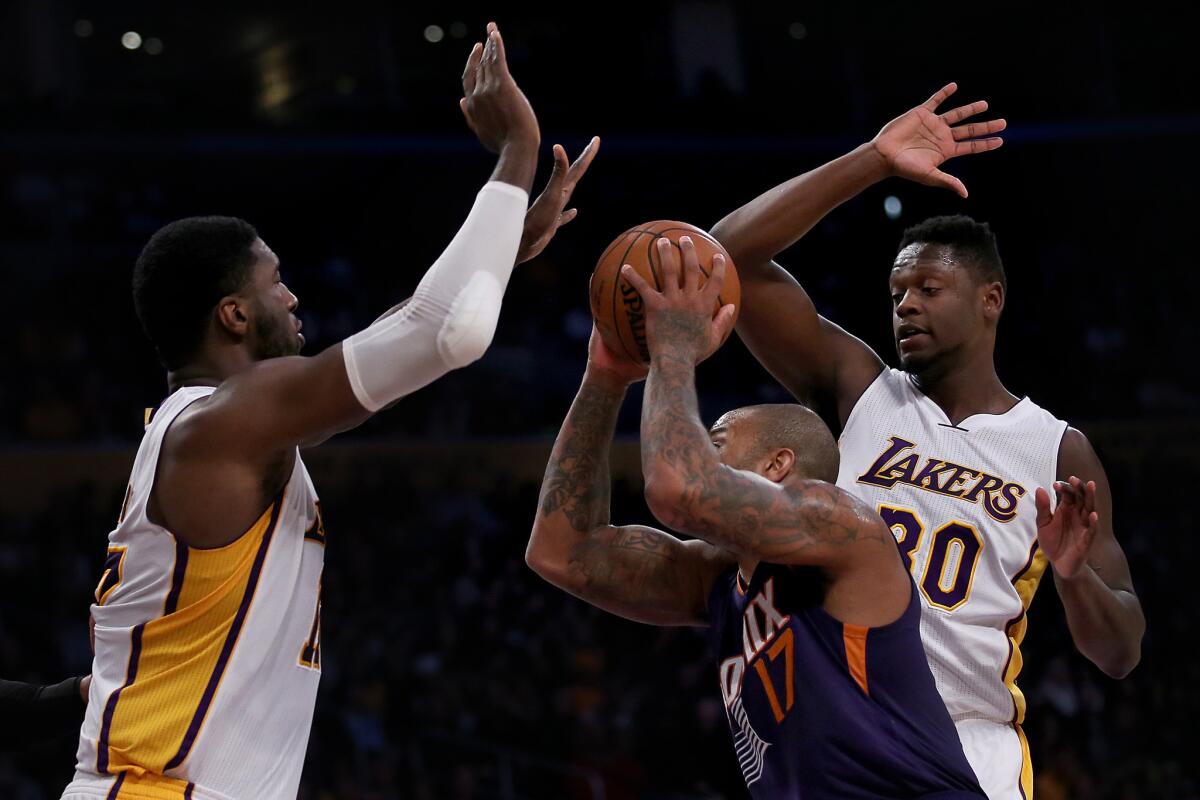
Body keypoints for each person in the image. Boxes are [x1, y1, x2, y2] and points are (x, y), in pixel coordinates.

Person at [62, 23, 598, 800]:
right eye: (275, 282)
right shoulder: (222, 424)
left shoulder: (224, 426)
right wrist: (517, 149)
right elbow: (446, 330)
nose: (294, 295)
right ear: (234, 316)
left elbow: (404, 332)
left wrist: (501, 246)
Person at [707, 84, 1145, 797]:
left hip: (971, 749)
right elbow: (728, 257)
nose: (905, 303)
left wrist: (1073, 577)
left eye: (929, 289)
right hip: (846, 728)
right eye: (896, 290)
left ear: (990, 300)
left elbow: (1121, 650)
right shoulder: (860, 391)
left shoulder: (1057, 450)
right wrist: (872, 162)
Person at [527, 237, 985, 799]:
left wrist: (673, 345)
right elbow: (561, 553)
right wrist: (605, 375)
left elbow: (679, 488)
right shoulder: (723, 583)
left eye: (714, 439)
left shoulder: (841, 525)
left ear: (778, 465)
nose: (699, 449)